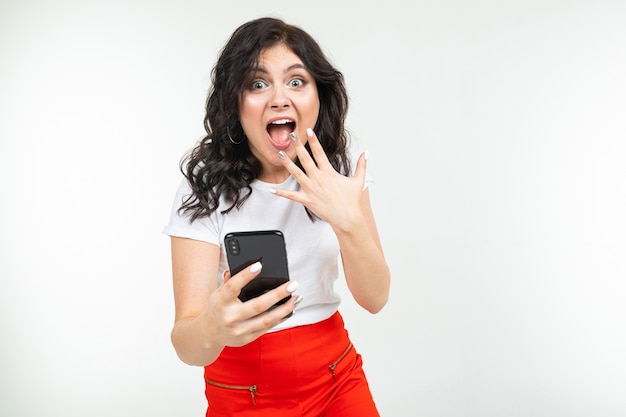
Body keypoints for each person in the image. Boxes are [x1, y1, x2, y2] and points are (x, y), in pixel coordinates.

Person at [163, 17, 390, 417]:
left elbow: (375, 299)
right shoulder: (204, 190)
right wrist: (213, 326)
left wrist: (348, 222)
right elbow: (187, 345)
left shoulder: (342, 170)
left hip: (338, 377)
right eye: (257, 83)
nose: (280, 98)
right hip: (243, 390)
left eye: (297, 81)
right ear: (236, 101)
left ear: (319, 96)